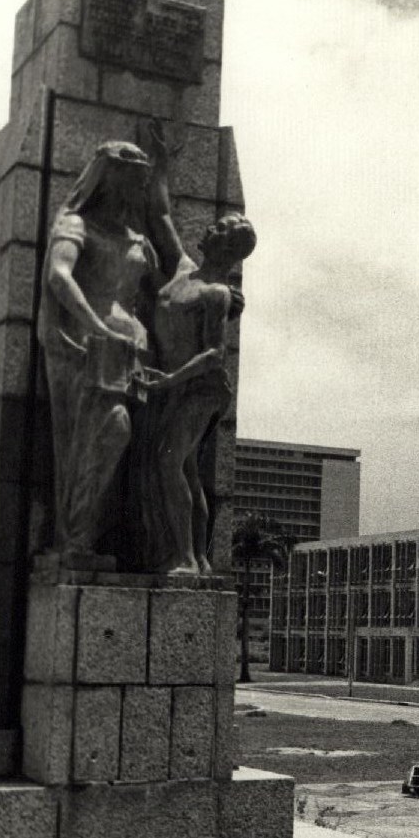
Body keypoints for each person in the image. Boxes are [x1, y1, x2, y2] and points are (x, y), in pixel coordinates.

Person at [38, 141, 161, 567]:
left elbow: (162, 290)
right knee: (108, 432)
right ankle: (74, 540)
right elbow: (59, 276)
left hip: (134, 356)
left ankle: (93, 541)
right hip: (90, 348)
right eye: (135, 180)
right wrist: (99, 327)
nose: (140, 190)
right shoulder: (77, 224)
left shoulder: (139, 239)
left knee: (137, 452)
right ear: (111, 179)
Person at [138, 216, 256, 576]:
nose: (209, 229)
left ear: (230, 249)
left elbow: (215, 354)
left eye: (219, 230)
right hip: (179, 386)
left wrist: (169, 380)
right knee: (187, 468)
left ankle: (185, 558)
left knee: (168, 461)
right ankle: (200, 559)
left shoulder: (217, 293)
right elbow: (161, 219)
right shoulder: (185, 269)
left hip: (203, 389)